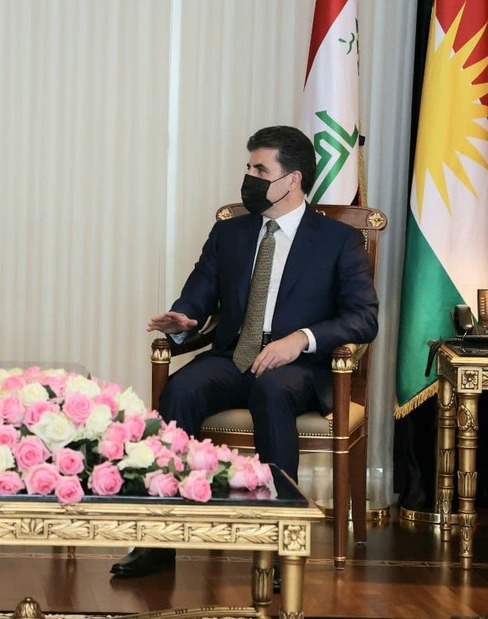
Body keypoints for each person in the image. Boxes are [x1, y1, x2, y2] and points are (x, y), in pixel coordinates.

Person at [110, 125, 378, 579]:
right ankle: (159, 539)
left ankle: (278, 541)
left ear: (292, 179)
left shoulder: (338, 240)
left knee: (271, 391)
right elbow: (197, 295)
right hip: (235, 357)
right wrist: (183, 319)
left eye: (260, 170)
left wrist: (300, 339)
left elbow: (363, 318)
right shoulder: (229, 233)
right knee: (180, 390)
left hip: (299, 367)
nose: (249, 178)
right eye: (248, 168)